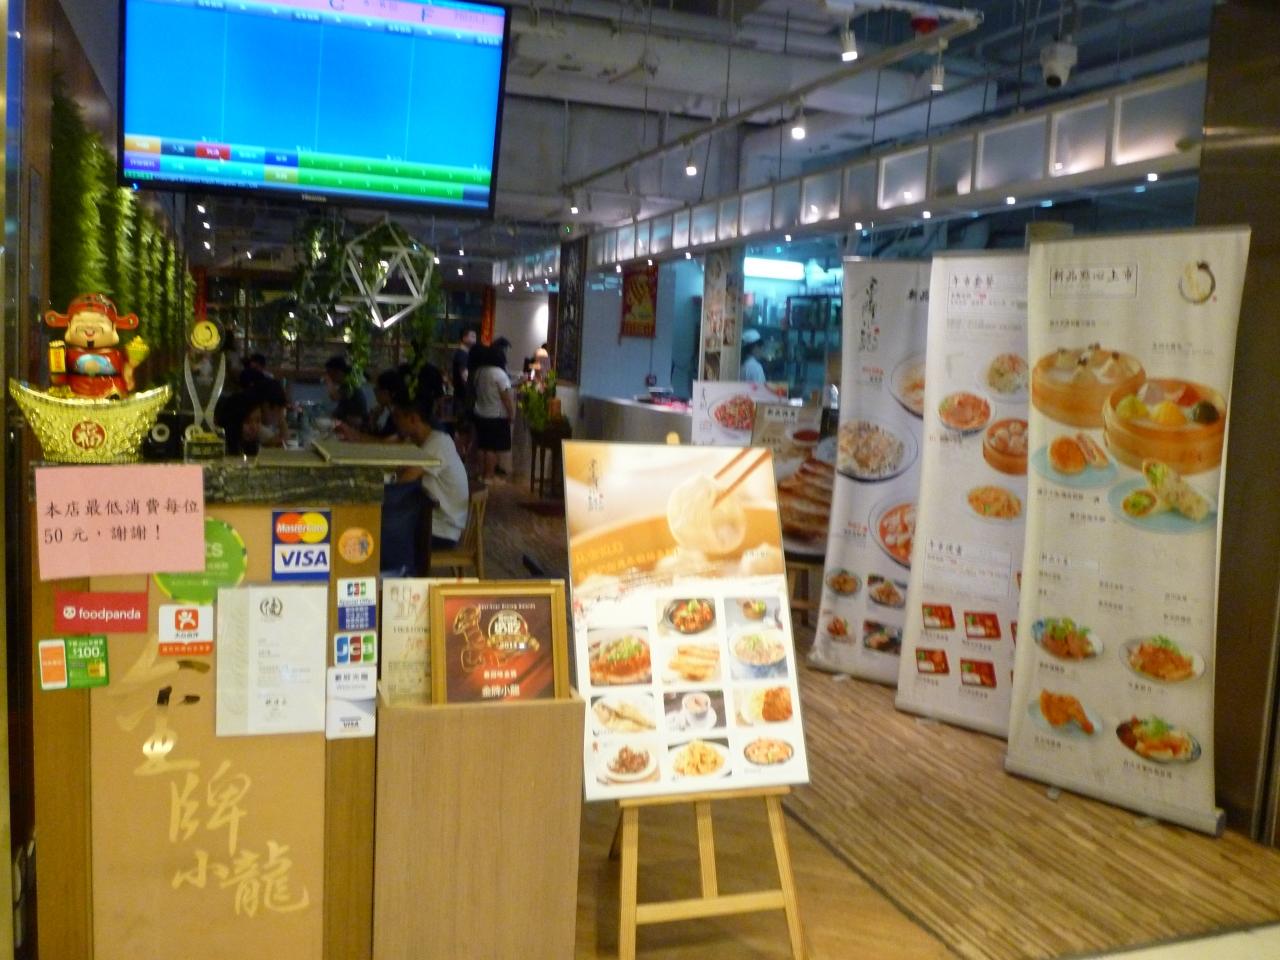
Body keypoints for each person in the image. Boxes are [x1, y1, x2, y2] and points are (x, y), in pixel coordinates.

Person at [391, 395, 470, 549]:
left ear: (413, 419)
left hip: (440, 531)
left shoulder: (438, 443)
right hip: (428, 522)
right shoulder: (420, 442)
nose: (395, 422)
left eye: (398, 417)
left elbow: (405, 480)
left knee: (381, 532)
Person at [471, 343, 515, 482]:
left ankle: (481, 474)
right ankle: (489, 476)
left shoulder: (480, 372)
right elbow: (505, 397)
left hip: (480, 413)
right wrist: (511, 413)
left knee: (482, 446)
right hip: (495, 415)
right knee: (492, 448)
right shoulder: (499, 374)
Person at [322, 355, 368, 430]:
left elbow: (334, 397)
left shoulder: (350, 385)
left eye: (330, 373)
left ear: (338, 372)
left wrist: (328, 382)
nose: (329, 376)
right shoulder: (345, 385)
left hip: (355, 426)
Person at [451, 328, 477, 401]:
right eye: (472, 336)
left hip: (461, 396)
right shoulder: (462, 355)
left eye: (475, 337)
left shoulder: (465, 354)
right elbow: (465, 376)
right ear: (464, 338)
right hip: (462, 397)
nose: (475, 340)